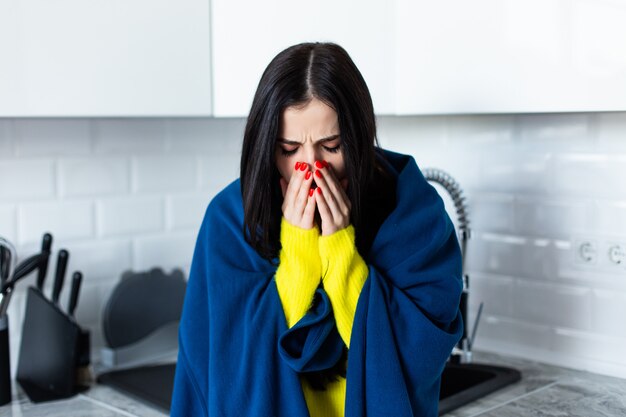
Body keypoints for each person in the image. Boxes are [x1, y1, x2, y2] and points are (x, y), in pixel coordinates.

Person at [170, 42, 463, 417]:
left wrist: (341, 252)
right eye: (289, 149)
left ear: (359, 138)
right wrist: (299, 251)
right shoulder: (229, 219)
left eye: (332, 145)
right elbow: (224, 363)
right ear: (265, 146)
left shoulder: (413, 213)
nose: (310, 167)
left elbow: (420, 355)